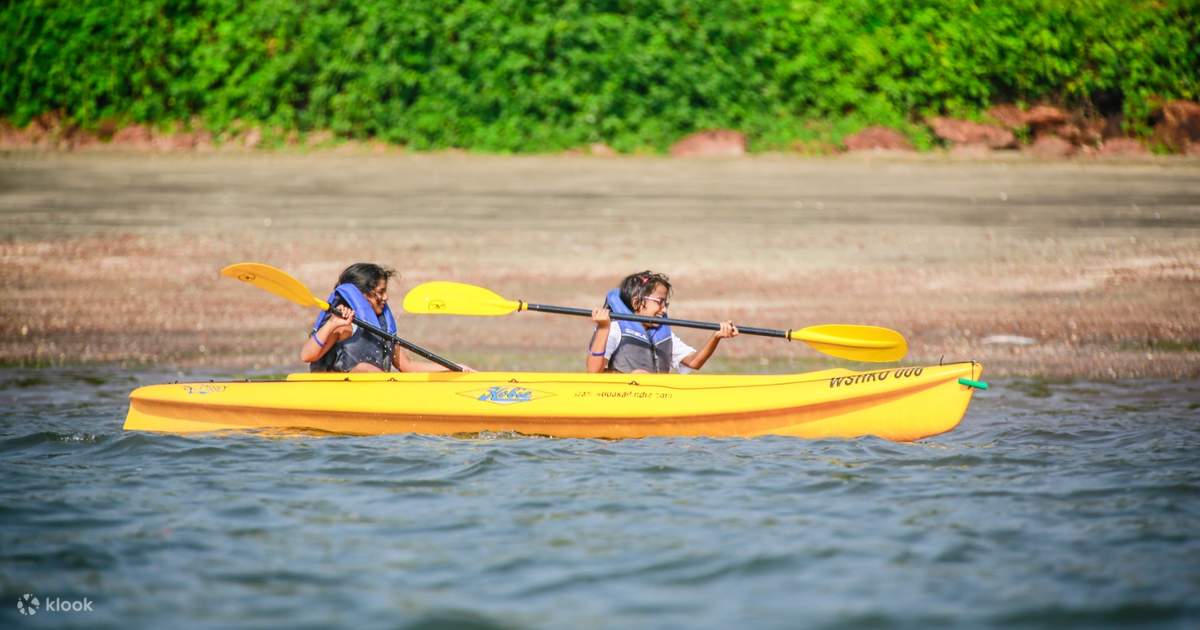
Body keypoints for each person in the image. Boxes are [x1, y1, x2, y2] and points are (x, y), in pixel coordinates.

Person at [300, 263, 458, 372]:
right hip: (334, 394)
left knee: (369, 370)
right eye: (380, 292)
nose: (386, 297)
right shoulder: (342, 326)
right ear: (362, 295)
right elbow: (307, 356)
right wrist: (331, 324)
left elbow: (407, 366)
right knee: (365, 369)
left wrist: (453, 368)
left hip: (374, 391)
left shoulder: (383, 326)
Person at [586, 270, 737, 373]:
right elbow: (593, 372)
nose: (664, 310)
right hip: (620, 398)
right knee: (639, 375)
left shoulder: (663, 334)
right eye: (659, 302)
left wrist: (716, 337)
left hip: (655, 398)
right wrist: (603, 328)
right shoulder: (613, 329)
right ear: (636, 302)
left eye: (666, 304)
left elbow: (694, 362)